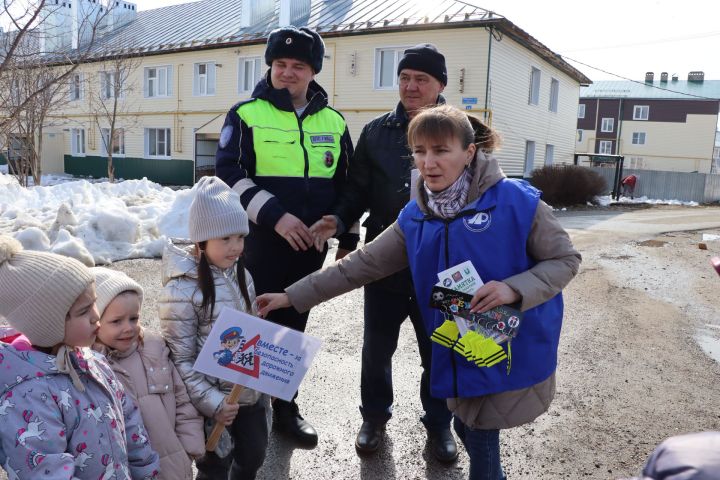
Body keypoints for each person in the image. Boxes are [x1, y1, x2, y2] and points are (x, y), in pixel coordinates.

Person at [257, 105, 581, 479]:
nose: (429, 162)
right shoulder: (416, 214)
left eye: (441, 151)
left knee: (480, 436)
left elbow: (565, 260)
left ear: (469, 152)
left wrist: (513, 289)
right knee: (467, 423)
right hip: (459, 343)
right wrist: (291, 296)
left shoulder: (517, 203)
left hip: (507, 343)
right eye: (420, 151)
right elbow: (360, 265)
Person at [308, 43, 456, 460]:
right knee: (377, 348)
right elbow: (356, 189)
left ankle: (439, 425)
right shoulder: (376, 132)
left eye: (421, 79)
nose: (410, 86)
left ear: (439, 84)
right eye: (405, 77)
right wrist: (340, 227)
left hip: (444, 267)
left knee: (440, 348)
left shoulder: (462, 130)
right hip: (385, 262)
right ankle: (374, 417)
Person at [215, 25, 358, 446]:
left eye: (299, 66)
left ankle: (285, 407)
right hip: (258, 243)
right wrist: (276, 217)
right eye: (281, 64)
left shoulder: (334, 120)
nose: (288, 73)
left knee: (292, 327)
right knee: (250, 323)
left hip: (309, 249)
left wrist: (343, 231)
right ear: (270, 66)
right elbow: (228, 173)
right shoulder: (245, 114)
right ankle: (234, 409)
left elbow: (348, 184)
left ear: (313, 72)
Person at [0, 235, 160, 479]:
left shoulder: (92, 361)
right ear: (48, 324)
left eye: (93, 304)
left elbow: (129, 421)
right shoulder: (27, 394)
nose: (97, 317)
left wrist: (146, 471)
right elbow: (45, 471)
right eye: (84, 311)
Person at [159, 176, 270, 480]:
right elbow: (180, 360)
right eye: (225, 239)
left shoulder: (241, 275)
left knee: (254, 455)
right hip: (214, 404)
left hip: (249, 395)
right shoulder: (182, 290)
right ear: (201, 240)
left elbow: (253, 334)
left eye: (240, 237)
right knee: (214, 468)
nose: (236, 247)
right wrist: (214, 403)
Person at [91, 267, 205, 480]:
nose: (128, 328)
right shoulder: (93, 366)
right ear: (94, 321)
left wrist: (189, 443)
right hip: (132, 471)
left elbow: (181, 398)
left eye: (134, 318)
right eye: (117, 321)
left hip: (175, 462)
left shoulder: (154, 347)